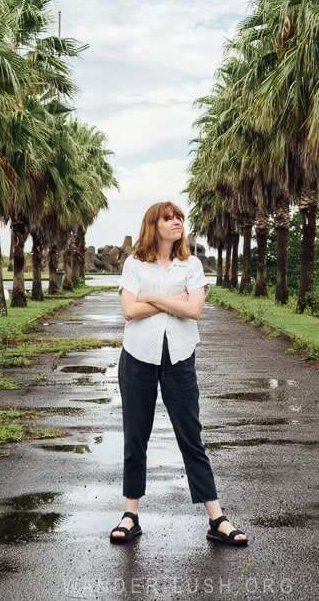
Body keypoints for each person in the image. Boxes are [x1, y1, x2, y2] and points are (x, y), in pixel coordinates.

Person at [110, 201, 248, 546]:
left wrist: (153, 297)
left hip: (179, 357)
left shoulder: (192, 263)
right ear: (152, 225)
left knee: (191, 438)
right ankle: (130, 514)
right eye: (168, 218)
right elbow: (129, 311)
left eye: (179, 218)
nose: (176, 223)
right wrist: (176, 300)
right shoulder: (133, 264)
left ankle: (217, 519)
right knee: (135, 437)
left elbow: (195, 310)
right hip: (138, 357)